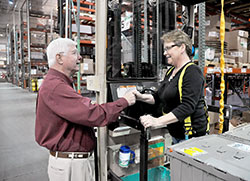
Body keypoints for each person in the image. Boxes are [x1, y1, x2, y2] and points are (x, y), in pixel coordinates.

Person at [35, 38, 136, 181]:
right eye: (74, 53)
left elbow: (80, 111)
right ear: (59, 58)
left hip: (73, 161)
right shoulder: (56, 86)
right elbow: (93, 114)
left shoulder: (59, 83)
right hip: (71, 165)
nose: (80, 57)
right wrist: (124, 101)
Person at [134, 29, 209, 144]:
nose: (165, 53)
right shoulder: (171, 72)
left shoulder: (192, 72)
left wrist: (156, 121)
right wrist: (140, 97)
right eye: (165, 49)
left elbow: (187, 107)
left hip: (191, 136)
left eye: (168, 48)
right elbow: (158, 97)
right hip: (176, 133)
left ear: (182, 48)